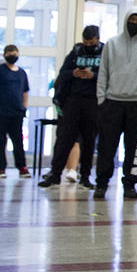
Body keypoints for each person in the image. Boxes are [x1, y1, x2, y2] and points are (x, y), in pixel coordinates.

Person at [95, 11, 137, 202]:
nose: (134, 23)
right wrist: (101, 99)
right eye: (132, 20)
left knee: (135, 147)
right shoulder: (112, 43)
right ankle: (101, 183)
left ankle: (130, 183)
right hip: (112, 103)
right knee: (107, 147)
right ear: (125, 21)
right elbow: (103, 72)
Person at [41, 25, 102, 188]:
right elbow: (63, 73)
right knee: (64, 139)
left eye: (91, 42)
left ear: (97, 39)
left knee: (89, 141)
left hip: (93, 101)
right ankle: (55, 174)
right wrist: (74, 73)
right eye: (86, 42)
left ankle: (86, 176)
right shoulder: (76, 51)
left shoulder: (105, 53)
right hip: (73, 101)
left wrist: (93, 75)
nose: (88, 45)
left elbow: (110, 76)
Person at [0, 44, 30, 178]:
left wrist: (24, 107)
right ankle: (0, 168)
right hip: (0, 112)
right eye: (10, 53)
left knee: (18, 142)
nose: (12, 56)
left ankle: (22, 167)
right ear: (4, 55)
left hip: (16, 113)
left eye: (14, 53)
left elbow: (25, 91)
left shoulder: (21, 73)